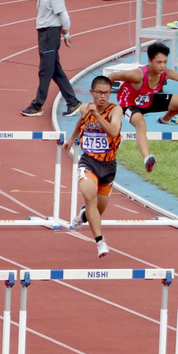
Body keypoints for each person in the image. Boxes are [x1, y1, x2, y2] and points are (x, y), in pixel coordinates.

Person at [111, 42, 178, 171]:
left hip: (149, 99)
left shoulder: (166, 73)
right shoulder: (137, 75)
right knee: (140, 123)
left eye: (165, 62)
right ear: (150, 61)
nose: (162, 66)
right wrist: (101, 97)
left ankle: (165, 119)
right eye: (159, 62)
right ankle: (147, 158)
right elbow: (112, 76)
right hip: (130, 104)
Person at [65, 76, 122, 258]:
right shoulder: (84, 109)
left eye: (106, 93)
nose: (103, 97)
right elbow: (81, 121)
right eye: (99, 93)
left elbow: (114, 131)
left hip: (108, 166)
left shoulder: (115, 110)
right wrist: (73, 138)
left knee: (96, 210)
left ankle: (83, 216)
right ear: (92, 93)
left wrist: (97, 115)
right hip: (88, 162)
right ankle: (100, 242)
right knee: (89, 197)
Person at [21, 0, 81, 117]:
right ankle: (73, 102)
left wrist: (66, 34)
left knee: (45, 71)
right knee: (55, 70)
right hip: (44, 33)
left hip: (50, 34)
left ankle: (37, 105)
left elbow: (63, 14)